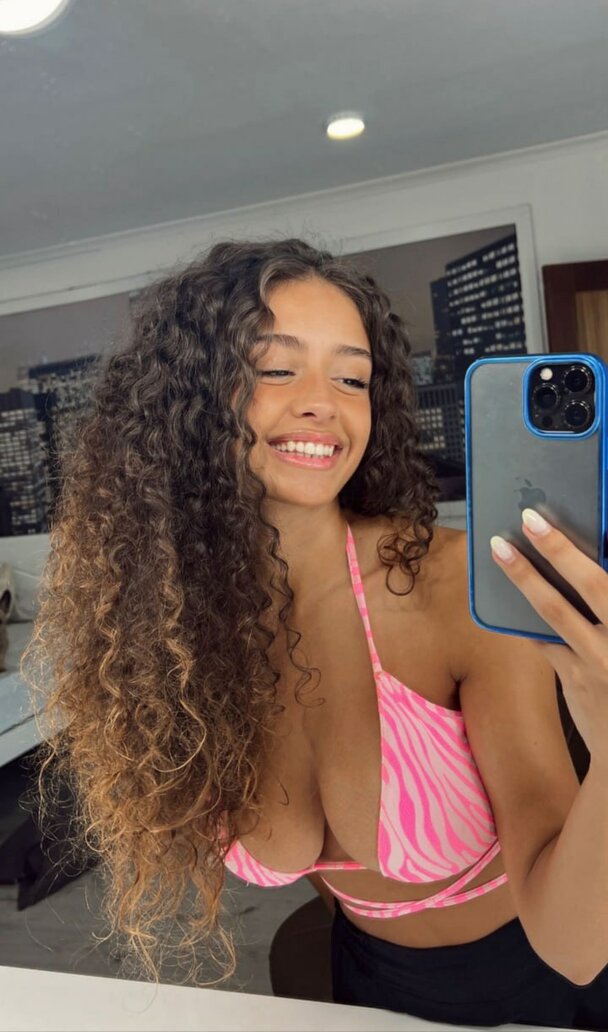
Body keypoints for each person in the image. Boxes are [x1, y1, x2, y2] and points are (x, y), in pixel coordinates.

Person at [21, 237, 608, 1028]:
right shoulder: (174, 630)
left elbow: (575, 947)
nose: (322, 402)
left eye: (352, 377)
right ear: (189, 399)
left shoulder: (447, 589)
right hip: (366, 982)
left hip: (551, 982)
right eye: (275, 368)